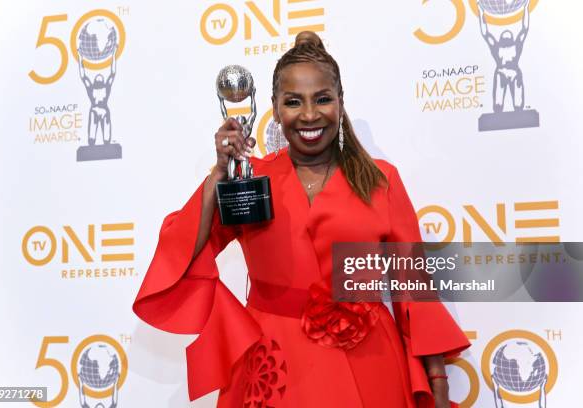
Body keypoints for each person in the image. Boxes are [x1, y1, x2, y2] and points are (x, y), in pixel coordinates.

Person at [133, 31, 470, 407]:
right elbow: (183, 252)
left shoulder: (380, 179)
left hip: (370, 364)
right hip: (276, 368)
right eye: (294, 102)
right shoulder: (249, 181)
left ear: (340, 103)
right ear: (275, 110)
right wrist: (218, 175)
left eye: (322, 99)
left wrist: (437, 376)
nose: (310, 115)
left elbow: (414, 287)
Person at [477, 0, 530, 112]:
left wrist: (526, 8)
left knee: (518, 102)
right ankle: (498, 114)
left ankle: (519, 113)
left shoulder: (515, 45)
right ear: (501, 39)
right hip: (501, 72)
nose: (507, 33)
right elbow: (485, 33)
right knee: (498, 103)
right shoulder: (498, 48)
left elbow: (525, 29)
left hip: (514, 72)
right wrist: (481, 12)